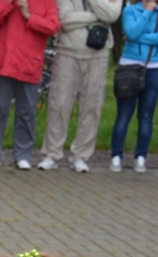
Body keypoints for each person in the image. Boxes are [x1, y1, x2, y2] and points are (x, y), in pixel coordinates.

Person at [36, 0, 120, 173]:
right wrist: (97, 16)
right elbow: (65, 20)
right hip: (67, 52)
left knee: (92, 106)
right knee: (60, 103)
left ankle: (81, 156)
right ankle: (52, 153)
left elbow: (112, 15)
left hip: (98, 54)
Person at [0, 0, 60, 170]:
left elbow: (53, 27)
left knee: (27, 112)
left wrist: (29, 16)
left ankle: (22, 155)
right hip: (4, 61)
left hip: (29, 63)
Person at [108, 0, 158, 174]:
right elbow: (131, 32)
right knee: (124, 115)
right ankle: (116, 156)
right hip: (129, 66)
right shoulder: (129, 11)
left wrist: (136, 38)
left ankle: (141, 157)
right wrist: (147, 12)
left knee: (146, 116)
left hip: (154, 68)